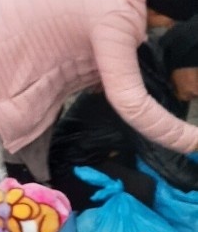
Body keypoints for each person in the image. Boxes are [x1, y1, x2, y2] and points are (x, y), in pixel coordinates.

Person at [0, 0, 198, 185]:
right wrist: (192, 138)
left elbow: (74, 29)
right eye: (171, 20)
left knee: (17, 169)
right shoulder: (116, 15)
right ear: (158, 10)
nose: (169, 27)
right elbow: (132, 103)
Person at [49, 14, 198, 211]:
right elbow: (167, 162)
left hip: (113, 152)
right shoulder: (142, 85)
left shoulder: (169, 77)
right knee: (144, 189)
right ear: (181, 59)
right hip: (72, 165)